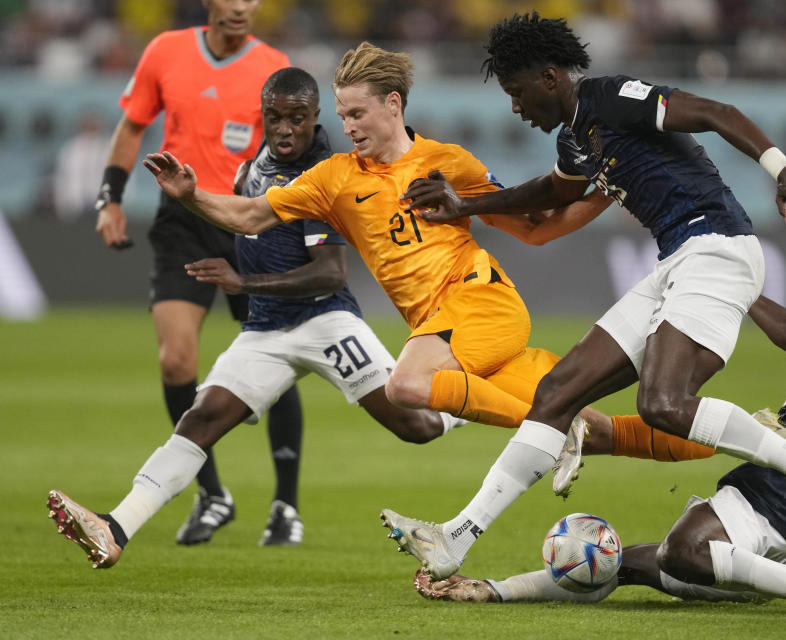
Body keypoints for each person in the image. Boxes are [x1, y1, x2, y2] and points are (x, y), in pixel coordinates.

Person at [387, 12, 786, 579]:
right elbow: (551, 191)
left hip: (718, 247)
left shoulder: (612, 97)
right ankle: (457, 538)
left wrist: (779, 165)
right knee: (556, 392)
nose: (517, 108)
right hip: (676, 260)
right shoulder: (575, 136)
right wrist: (467, 205)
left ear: (549, 77)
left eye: (518, 94)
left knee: (662, 404)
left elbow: (716, 113)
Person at [139, 43, 714, 472]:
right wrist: (192, 196)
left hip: (479, 303)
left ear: (392, 105)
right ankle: (748, 439)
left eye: (356, 114)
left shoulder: (449, 163)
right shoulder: (333, 179)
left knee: (407, 386)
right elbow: (249, 215)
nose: (347, 127)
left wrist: (602, 191)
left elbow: (536, 231)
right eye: (341, 116)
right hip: (450, 331)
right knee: (599, 426)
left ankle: (551, 433)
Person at [45, 65, 473, 567]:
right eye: (276, 117)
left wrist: (243, 283)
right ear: (263, 116)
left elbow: (331, 273)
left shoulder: (329, 178)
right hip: (265, 329)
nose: (286, 129)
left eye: (298, 118)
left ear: (316, 117)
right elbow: (244, 224)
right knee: (200, 419)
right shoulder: (253, 167)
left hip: (324, 321)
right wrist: (191, 199)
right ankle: (115, 527)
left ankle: (479, 397)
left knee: (415, 426)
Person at [414, 285, 786, 618]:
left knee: (682, 550)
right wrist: (492, 590)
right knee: (614, 562)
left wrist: (735, 284)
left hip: (773, 503)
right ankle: (494, 589)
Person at [91, 0, 295, 545]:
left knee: (280, 355)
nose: (240, 6)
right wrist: (109, 198)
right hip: (181, 219)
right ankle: (212, 493)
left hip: (246, 219)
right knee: (175, 357)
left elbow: (289, 151)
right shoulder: (166, 50)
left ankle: (286, 504)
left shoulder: (273, 67)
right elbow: (132, 126)